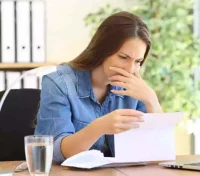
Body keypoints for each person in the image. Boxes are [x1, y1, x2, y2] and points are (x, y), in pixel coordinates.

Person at [35, 11, 162, 164]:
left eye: (137, 61)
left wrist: (152, 101)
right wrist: (99, 127)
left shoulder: (135, 89)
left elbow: (157, 155)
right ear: (102, 50)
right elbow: (54, 152)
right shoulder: (59, 84)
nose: (130, 69)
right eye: (123, 57)